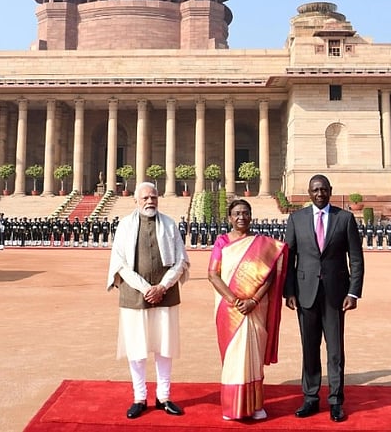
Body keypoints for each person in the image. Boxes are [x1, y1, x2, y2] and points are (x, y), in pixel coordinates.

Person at [283, 174, 364, 422]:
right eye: (315, 190)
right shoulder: (296, 219)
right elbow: (289, 259)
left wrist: (353, 291)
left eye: (323, 189)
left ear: (330, 191)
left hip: (336, 294)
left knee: (335, 351)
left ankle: (336, 401)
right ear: (309, 192)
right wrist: (289, 292)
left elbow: (356, 258)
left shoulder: (345, 218)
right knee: (309, 348)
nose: (319, 194)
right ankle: (310, 398)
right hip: (305, 293)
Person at [106, 182, 190, 420]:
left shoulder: (170, 225)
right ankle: (139, 397)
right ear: (136, 201)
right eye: (145, 198)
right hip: (135, 294)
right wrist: (146, 288)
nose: (150, 201)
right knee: (137, 348)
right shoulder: (124, 225)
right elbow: (120, 263)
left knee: (165, 348)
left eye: (153, 197)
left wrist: (162, 286)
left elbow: (181, 260)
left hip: (166, 293)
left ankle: (163, 396)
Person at [208, 199, 288, 421]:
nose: (241, 217)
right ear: (229, 218)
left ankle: (255, 405)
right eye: (236, 213)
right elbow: (213, 274)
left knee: (252, 356)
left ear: (251, 216)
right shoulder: (221, 242)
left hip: (255, 307)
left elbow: (270, 275)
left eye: (245, 213)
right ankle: (232, 407)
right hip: (229, 308)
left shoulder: (262, 244)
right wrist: (234, 300)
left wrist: (253, 299)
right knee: (234, 356)